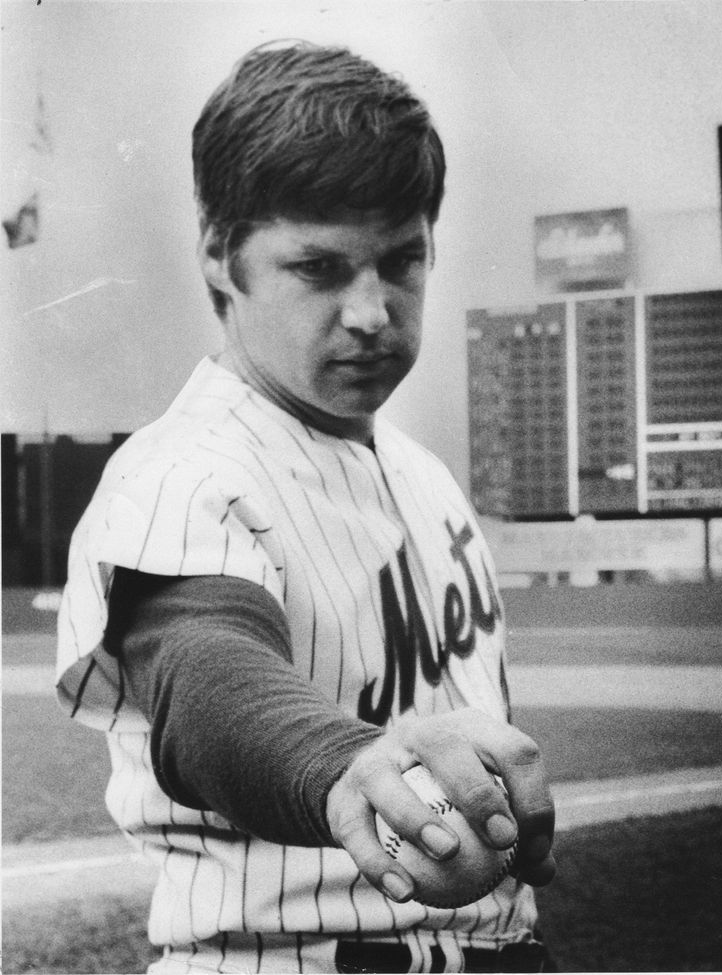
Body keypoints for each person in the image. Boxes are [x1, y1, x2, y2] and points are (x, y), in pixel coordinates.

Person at [56, 41, 557, 974]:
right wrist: (341, 766)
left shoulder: (425, 475)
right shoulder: (184, 472)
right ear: (220, 258)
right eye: (320, 269)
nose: (372, 310)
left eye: (401, 261)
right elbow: (207, 676)